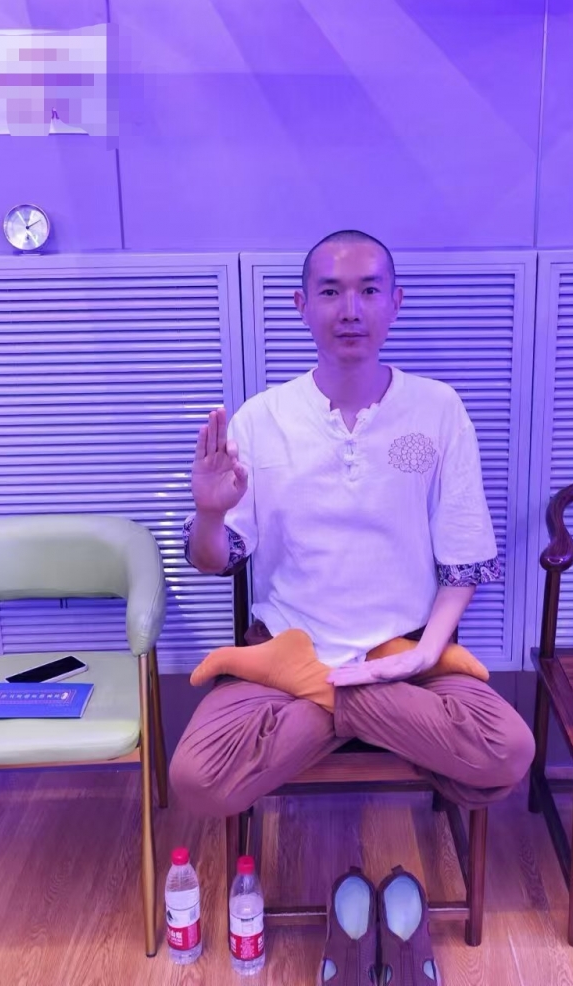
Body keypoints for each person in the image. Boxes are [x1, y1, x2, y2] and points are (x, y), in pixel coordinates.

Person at [169, 230, 534, 818]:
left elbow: (463, 558)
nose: (350, 310)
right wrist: (210, 512)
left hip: (406, 654)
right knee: (197, 781)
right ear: (301, 304)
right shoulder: (262, 418)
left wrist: (424, 655)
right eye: (330, 292)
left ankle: (322, 700)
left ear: (395, 301)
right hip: (282, 652)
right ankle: (359, 707)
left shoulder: (438, 408)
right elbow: (215, 560)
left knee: (507, 751)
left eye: (368, 290)